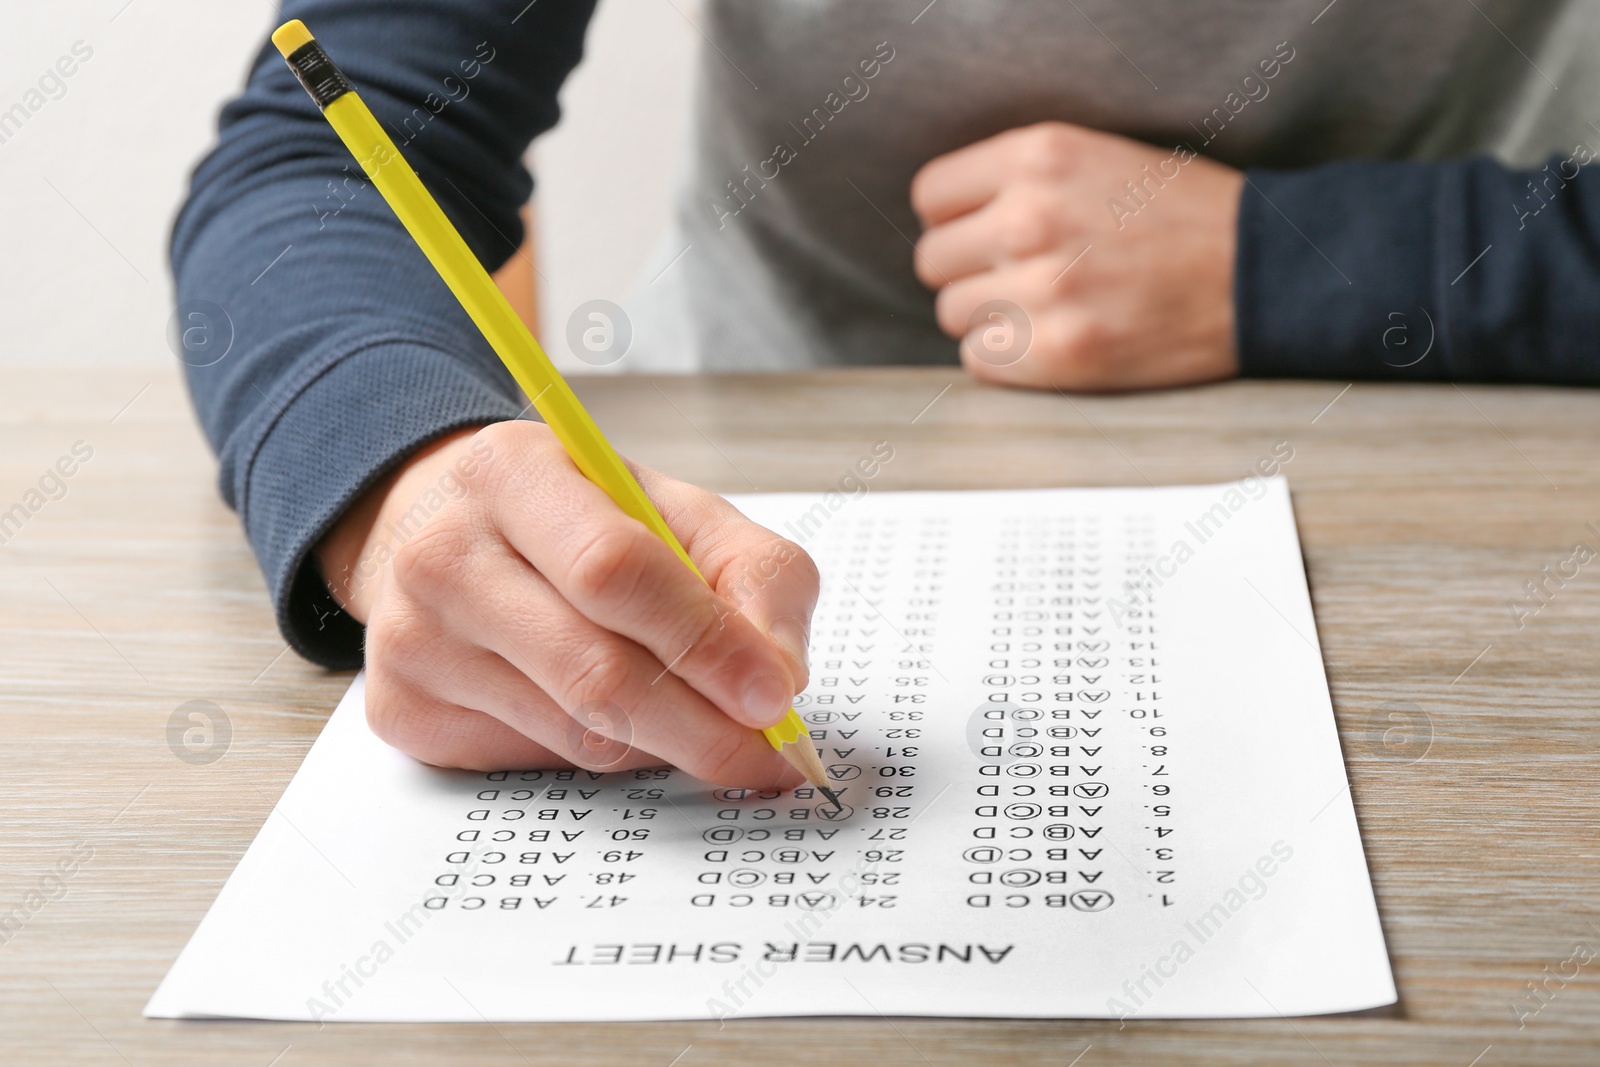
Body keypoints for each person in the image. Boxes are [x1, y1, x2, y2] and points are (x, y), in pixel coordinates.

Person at [175, 0, 1600, 783]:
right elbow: (318, 155)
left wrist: (1300, 260)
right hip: (731, 431)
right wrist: (399, 469)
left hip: (1450, 459)